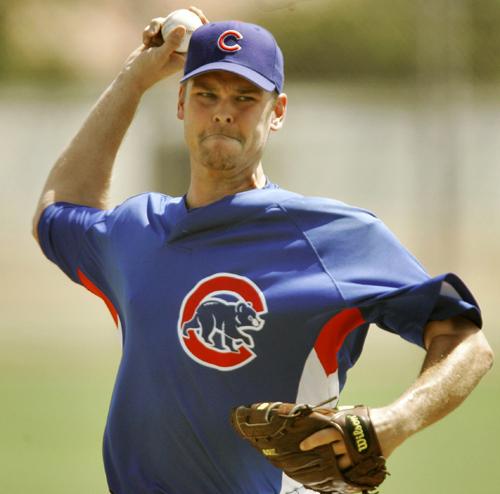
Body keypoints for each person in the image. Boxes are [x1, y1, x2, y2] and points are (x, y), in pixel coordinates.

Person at [32, 7, 493, 494]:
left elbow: (468, 344)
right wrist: (133, 79)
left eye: (246, 97)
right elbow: (57, 212)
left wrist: (392, 424)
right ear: (181, 105)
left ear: (278, 112)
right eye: (206, 94)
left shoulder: (331, 235)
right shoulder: (135, 230)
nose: (224, 111)